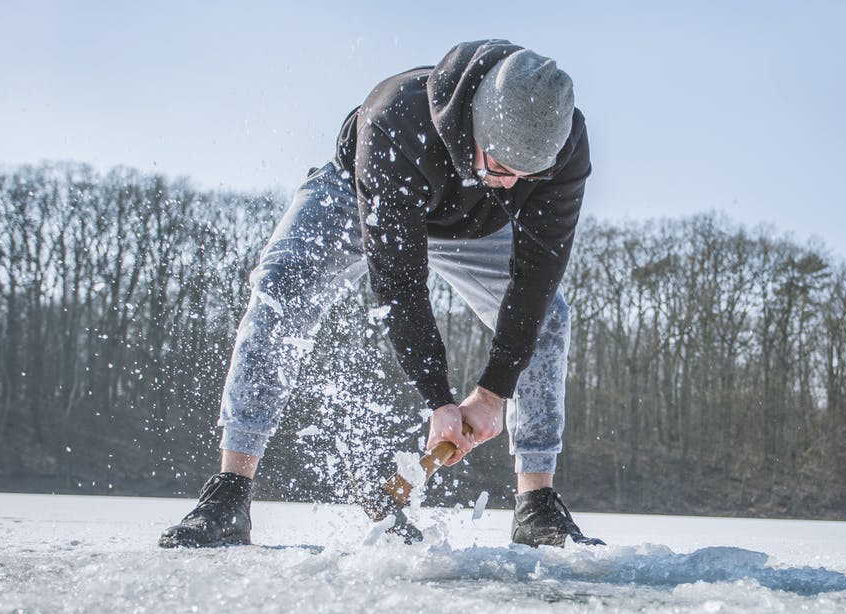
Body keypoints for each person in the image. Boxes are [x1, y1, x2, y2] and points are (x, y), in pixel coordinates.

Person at [159, 39, 602, 549]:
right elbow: (400, 283)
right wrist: (439, 399)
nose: (511, 185)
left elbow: (536, 277)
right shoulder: (396, 118)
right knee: (281, 288)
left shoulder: (563, 143)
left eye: (529, 176)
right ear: (478, 126)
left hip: (473, 226)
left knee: (551, 316)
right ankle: (229, 492)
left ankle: (536, 506)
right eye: (502, 168)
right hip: (360, 193)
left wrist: (492, 392)